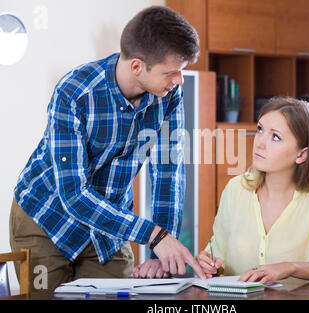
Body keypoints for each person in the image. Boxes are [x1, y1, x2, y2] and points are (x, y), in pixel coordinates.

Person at [10, 5, 206, 292]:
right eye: (171, 72)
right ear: (137, 66)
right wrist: (153, 235)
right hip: (47, 219)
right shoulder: (74, 93)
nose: (178, 80)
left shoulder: (169, 94)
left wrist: (159, 250)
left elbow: (168, 172)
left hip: (109, 228)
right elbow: (74, 194)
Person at [196, 96, 309, 283]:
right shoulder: (236, 190)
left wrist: (291, 267)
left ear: (302, 154)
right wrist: (208, 264)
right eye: (260, 129)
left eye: (275, 137)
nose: (259, 142)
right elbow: (217, 257)